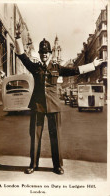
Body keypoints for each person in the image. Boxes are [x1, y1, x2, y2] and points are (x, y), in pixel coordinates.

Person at [15, 25, 104, 175]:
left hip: (54, 106)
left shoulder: (57, 67)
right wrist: (17, 37)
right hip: (37, 106)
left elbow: (74, 70)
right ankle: (33, 164)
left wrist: (93, 65)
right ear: (40, 53)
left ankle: (57, 166)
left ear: (50, 53)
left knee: (55, 137)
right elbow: (22, 56)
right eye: (42, 52)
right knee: (35, 136)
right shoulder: (35, 67)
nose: (44, 55)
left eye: (46, 52)